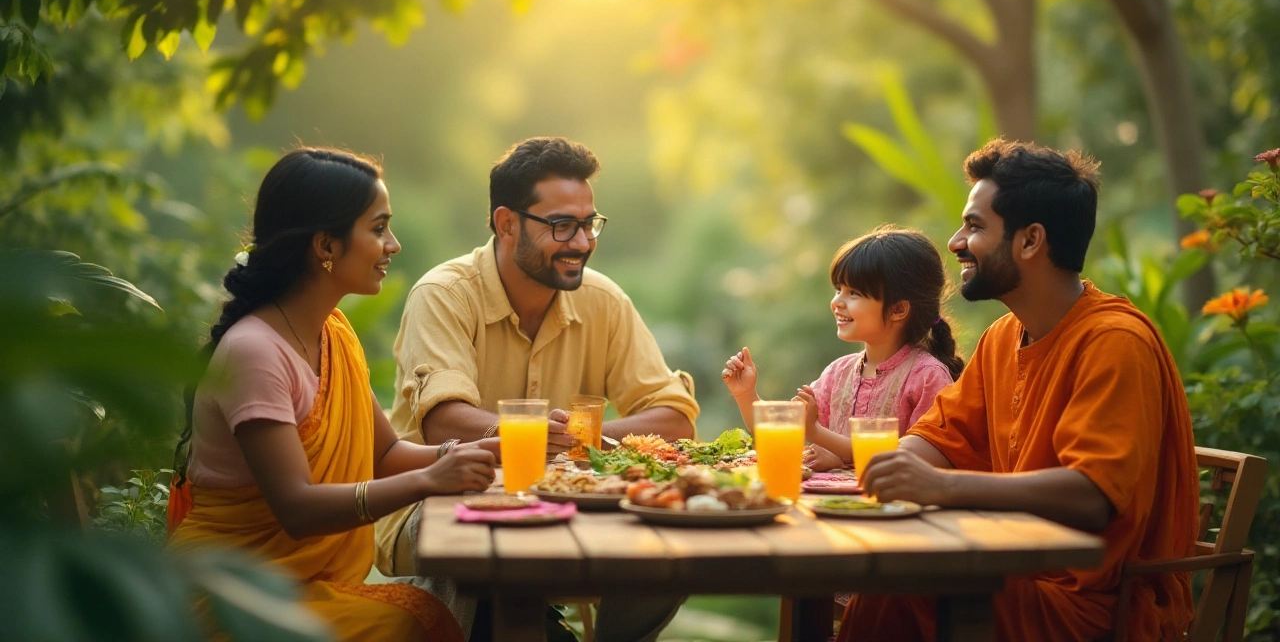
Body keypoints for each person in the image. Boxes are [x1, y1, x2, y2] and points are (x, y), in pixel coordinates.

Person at [841, 139, 1199, 641]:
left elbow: (1093, 494)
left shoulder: (1115, 342)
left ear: (1031, 241)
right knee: (889, 573)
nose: (955, 241)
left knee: (902, 584)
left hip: (1095, 608)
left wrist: (941, 488)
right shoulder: (1002, 338)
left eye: (975, 226)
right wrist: (887, 467)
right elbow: (941, 438)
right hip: (1014, 575)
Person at [166, 148, 498, 642]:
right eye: (379, 228)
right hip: (232, 593)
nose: (394, 245)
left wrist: (469, 453)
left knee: (462, 594)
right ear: (325, 245)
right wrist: (432, 479)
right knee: (413, 619)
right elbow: (297, 509)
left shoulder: (332, 331)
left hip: (300, 586)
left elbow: (382, 453)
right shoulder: (255, 352)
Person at [374, 137, 698, 641]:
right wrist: (528, 435)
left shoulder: (604, 301)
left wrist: (580, 439)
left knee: (665, 546)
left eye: (589, 223)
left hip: (566, 507)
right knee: (484, 547)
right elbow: (445, 419)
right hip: (440, 502)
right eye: (562, 225)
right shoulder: (443, 295)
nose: (583, 242)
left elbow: (675, 419)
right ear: (507, 224)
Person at [721, 226, 963, 472]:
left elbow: (914, 460)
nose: (837, 302)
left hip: (893, 507)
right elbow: (779, 431)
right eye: (839, 290)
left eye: (854, 293)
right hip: (827, 505)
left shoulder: (927, 377)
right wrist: (746, 394)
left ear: (898, 309)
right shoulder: (839, 373)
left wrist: (820, 436)